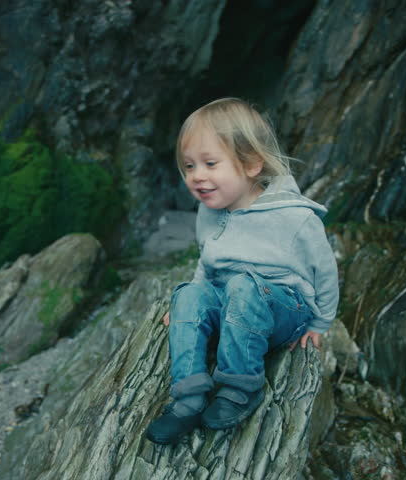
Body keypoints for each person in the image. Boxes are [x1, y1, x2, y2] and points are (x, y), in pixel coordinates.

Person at [144, 98, 339, 445]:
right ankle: (188, 398)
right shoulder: (211, 211)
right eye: (189, 166)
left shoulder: (294, 217)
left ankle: (239, 388)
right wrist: (193, 305)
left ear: (250, 164)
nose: (196, 177)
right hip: (231, 298)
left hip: (282, 306)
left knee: (243, 287)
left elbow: (325, 269)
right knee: (186, 294)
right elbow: (209, 260)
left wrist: (320, 322)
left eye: (210, 163)